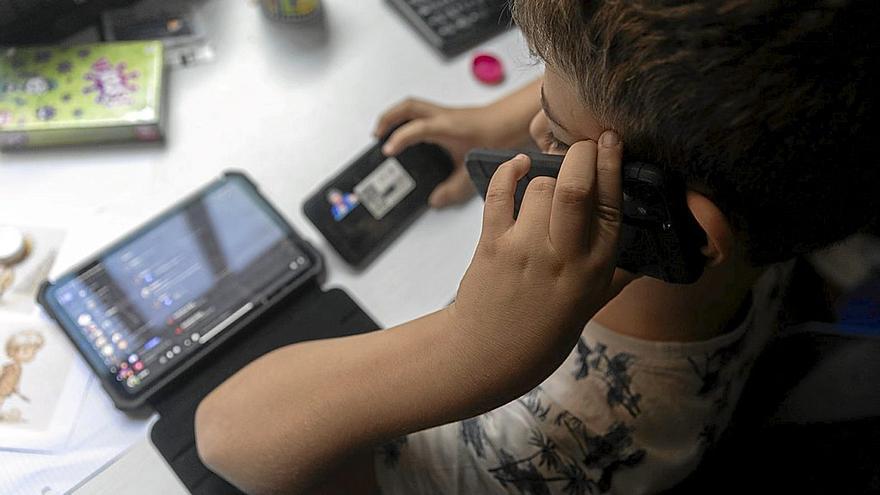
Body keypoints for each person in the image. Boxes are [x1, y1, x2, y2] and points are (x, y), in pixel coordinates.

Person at [193, 1, 877, 493]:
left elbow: (228, 436)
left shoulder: (557, 442)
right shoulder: (782, 160)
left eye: (553, 124)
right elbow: (654, 85)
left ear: (686, 227)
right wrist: (499, 116)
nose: (530, 127)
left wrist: (464, 346)